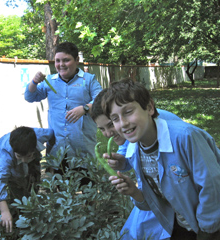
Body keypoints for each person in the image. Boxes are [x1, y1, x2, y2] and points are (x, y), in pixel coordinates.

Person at [102, 79, 220, 240]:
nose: (123, 123)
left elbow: (212, 187)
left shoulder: (185, 137)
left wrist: (207, 231)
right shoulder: (134, 151)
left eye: (128, 112)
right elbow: (154, 202)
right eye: (115, 118)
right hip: (183, 225)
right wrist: (134, 191)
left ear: (149, 107)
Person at [91, 88, 181, 240]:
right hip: (157, 196)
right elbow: (128, 151)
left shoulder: (157, 128)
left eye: (110, 124)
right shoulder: (130, 131)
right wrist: (123, 163)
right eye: (101, 129)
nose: (107, 134)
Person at [24, 42, 102, 180]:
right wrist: (34, 82)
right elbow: (30, 97)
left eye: (66, 60)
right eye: (58, 61)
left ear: (77, 60)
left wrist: (85, 108)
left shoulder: (89, 80)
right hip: (57, 148)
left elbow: (102, 100)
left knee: (87, 188)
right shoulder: (50, 81)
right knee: (60, 192)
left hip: (82, 147)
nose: (61, 64)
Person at [0, 127, 54, 233]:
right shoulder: (6, 154)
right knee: (10, 194)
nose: (24, 160)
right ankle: (15, 222)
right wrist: (5, 211)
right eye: (20, 156)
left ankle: (28, 207)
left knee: (31, 180)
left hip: (19, 158)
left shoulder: (41, 134)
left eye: (28, 156)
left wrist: (51, 160)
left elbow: (52, 133)